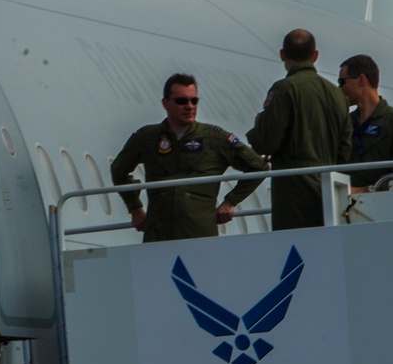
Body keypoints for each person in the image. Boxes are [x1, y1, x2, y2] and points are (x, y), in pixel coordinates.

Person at [110, 74, 267, 242]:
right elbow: (118, 170)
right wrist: (135, 208)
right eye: (181, 101)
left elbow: (259, 167)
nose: (189, 106)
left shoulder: (214, 138)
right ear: (165, 103)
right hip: (158, 235)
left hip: (199, 236)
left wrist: (230, 201)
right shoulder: (147, 137)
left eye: (194, 101)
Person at [247, 29, 352, 230]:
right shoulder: (338, 96)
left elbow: (265, 142)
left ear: (282, 54)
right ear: (315, 55)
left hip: (293, 199)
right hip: (329, 197)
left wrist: (259, 125)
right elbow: (345, 150)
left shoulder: (283, 89)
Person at [338, 54, 393, 192]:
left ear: (361, 80)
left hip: (380, 208)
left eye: (342, 82)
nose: (340, 89)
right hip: (342, 206)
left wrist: (365, 191)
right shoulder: (344, 122)